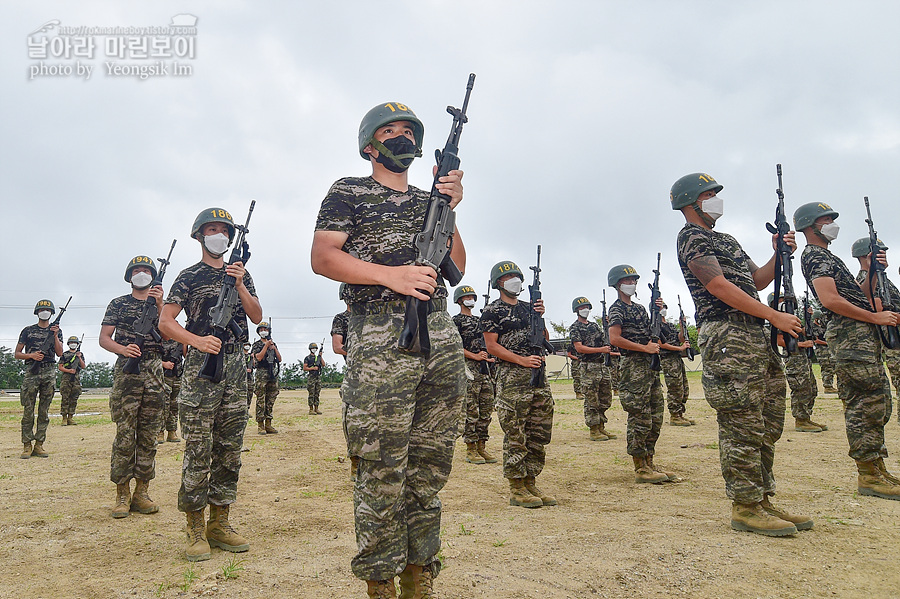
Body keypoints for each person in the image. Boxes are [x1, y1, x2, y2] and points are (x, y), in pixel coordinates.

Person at [310, 100, 466, 598]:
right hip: (378, 334)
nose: (401, 137)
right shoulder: (348, 191)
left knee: (429, 464)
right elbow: (323, 257)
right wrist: (391, 277)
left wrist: (450, 211)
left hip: (439, 333)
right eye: (390, 130)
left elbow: (457, 267)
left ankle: (419, 578)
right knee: (381, 467)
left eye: (408, 131)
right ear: (370, 145)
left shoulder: (429, 199)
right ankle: (379, 582)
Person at [673, 172, 812, 536]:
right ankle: (745, 506)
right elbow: (717, 285)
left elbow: (759, 281)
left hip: (754, 334)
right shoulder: (691, 237)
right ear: (691, 201)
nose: (717, 199)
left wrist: (779, 254)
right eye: (709, 194)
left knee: (767, 419)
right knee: (741, 421)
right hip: (727, 334)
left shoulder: (727, 240)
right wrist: (773, 314)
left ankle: (762, 499)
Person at [160, 207, 262, 562]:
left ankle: (220, 523)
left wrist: (238, 283)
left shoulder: (242, 276)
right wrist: (196, 340)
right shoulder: (188, 277)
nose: (218, 234)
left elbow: (257, 316)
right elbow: (166, 321)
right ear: (200, 235)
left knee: (230, 448)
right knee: (198, 448)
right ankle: (193, 526)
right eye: (212, 229)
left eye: (224, 230)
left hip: (237, 366)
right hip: (202, 365)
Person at [796, 203, 900, 500]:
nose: (832, 224)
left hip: (861, 337)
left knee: (877, 402)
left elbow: (862, 297)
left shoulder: (828, 256)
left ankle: (877, 468)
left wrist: (871, 271)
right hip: (850, 336)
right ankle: (868, 474)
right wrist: (875, 318)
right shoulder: (814, 255)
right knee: (863, 403)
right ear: (810, 225)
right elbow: (829, 300)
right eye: (826, 220)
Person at [482, 260, 557, 510]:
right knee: (516, 432)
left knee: (539, 430)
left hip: (538, 377)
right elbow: (491, 346)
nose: (515, 280)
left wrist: (540, 317)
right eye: (509, 277)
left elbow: (544, 338)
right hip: (512, 378)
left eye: (517, 276)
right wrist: (521, 360)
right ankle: (516, 487)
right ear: (499, 284)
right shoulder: (492, 311)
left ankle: (531, 481)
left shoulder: (529, 308)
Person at [99, 256, 166, 519]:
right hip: (128, 369)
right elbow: (104, 338)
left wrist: (161, 305)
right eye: (137, 270)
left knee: (149, 435)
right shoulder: (118, 304)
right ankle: (122, 494)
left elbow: (171, 335)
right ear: (129, 276)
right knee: (125, 434)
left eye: (146, 270)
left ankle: (142, 492)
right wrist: (123, 349)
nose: (141, 274)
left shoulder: (163, 303)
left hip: (154, 370)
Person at [606, 267, 679, 483]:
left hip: (650, 367)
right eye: (627, 280)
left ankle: (650, 461)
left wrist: (656, 311)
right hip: (633, 367)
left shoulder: (639, 308)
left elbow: (652, 332)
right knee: (640, 416)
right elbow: (614, 339)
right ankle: (640, 467)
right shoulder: (617, 309)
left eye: (633, 280)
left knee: (655, 415)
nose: (631, 283)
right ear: (617, 284)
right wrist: (643, 348)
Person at [766, 293, 824, 433]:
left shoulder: (792, 318)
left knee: (811, 388)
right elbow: (780, 341)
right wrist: (803, 344)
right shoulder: (778, 319)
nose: (784, 303)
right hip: (793, 360)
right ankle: (801, 420)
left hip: (803, 359)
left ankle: (806, 417)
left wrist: (808, 317)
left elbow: (805, 331)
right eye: (780, 301)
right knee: (801, 388)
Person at [452, 285, 497, 464]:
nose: (470, 299)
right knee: (471, 409)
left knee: (486, 408)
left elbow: (489, 342)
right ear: (460, 300)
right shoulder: (455, 321)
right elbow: (455, 346)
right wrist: (475, 356)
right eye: (467, 296)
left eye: (472, 296)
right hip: (468, 369)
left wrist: (489, 357)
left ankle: (481, 446)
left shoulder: (480, 320)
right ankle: (471, 449)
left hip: (484, 370)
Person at [852, 237, 900, 400]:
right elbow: (875, 307)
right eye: (879, 252)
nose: (883, 255)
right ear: (865, 256)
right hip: (891, 337)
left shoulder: (883, 278)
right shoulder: (865, 280)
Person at [15, 299, 63, 459]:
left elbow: (60, 353)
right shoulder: (27, 331)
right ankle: (27, 445)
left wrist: (55, 335)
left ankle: (39, 444)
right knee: (28, 411)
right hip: (31, 371)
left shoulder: (57, 330)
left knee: (44, 411)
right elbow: (17, 353)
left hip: (49, 371)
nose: (45, 312)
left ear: (52, 313)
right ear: (37, 312)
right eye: (42, 310)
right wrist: (31, 355)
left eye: (48, 310)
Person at [568, 297, 616, 440]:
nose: (585, 310)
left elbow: (605, 341)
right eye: (582, 307)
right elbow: (579, 348)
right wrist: (601, 349)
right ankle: (594, 429)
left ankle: (601, 426)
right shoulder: (575, 327)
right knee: (591, 399)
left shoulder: (594, 326)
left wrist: (607, 326)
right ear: (576, 310)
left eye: (587, 307)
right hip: (588, 366)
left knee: (605, 397)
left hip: (601, 366)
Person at [332, 283, 358, 480]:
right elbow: (337, 347)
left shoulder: (372, 316)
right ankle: (355, 461)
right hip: (355, 374)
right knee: (353, 419)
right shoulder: (342, 318)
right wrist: (356, 355)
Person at [658, 304, 694, 426]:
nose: (664, 309)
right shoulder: (656, 326)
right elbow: (661, 344)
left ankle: (680, 414)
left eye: (665, 307)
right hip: (668, 359)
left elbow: (681, 338)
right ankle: (674, 415)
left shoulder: (670, 325)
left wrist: (682, 325)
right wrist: (679, 348)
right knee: (675, 388)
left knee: (684, 387)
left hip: (677, 359)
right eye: (662, 307)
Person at [252, 322, 282, 432]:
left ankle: (268, 423)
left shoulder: (273, 344)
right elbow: (258, 357)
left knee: (271, 398)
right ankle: (260, 424)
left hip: (272, 372)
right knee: (261, 398)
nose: (263, 331)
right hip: (261, 372)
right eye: (261, 329)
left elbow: (279, 359)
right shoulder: (256, 344)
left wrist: (273, 348)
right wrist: (266, 346)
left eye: (265, 329)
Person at [58, 335, 86, 426]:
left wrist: (79, 357)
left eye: (74, 343)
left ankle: (70, 417)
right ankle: (64, 418)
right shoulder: (64, 354)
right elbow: (60, 367)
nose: (73, 344)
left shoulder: (80, 354)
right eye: (71, 343)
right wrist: (69, 370)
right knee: (65, 397)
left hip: (76, 378)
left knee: (74, 398)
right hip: (66, 378)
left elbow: (83, 366)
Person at [161, 339, 184, 442]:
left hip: (177, 376)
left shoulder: (179, 340)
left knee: (174, 405)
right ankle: (159, 432)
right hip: (163, 376)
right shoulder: (158, 339)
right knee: (163, 405)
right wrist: (164, 364)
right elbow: (153, 357)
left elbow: (186, 354)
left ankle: (172, 431)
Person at [812, 309, 837, 392]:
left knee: (831, 366)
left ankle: (830, 385)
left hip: (828, 349)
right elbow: (816, 340)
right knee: (826, 367)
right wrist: (828, 343)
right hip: (821, 350)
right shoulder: (813, 327)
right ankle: (827, 386)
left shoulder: (823, 327)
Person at [303, 342, 323, 415]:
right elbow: (304, 368)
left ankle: (316, 408)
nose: (314, 349)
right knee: (311, 393)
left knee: (317, 393)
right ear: (310, 349)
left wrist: (320, 357)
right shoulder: (307, 358)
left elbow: (323, 364)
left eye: (315, 348)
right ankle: (311, 409)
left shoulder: (317, 358)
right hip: (311, 377)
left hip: (318, 377)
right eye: (313, 348)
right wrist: (313, 368)